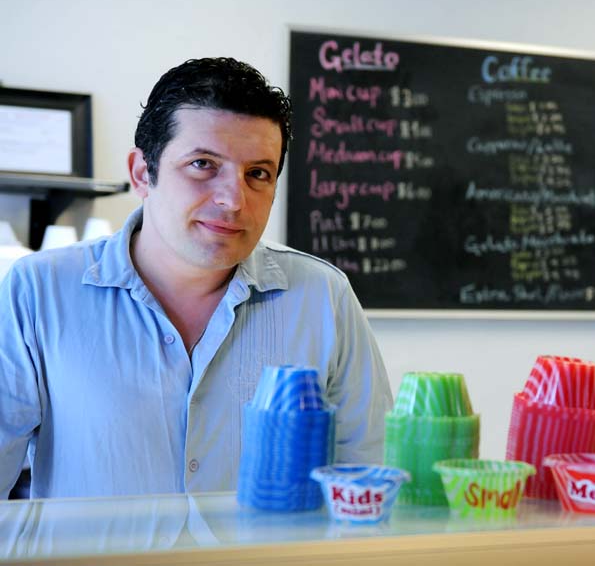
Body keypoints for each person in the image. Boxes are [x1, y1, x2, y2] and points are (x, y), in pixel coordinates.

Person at [0, 57, 393, 499]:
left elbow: (369, 474)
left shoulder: (323, 296)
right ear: (142, 173)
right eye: (203, 164)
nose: (232, 199)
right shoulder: (37, 292)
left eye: (258, 174)